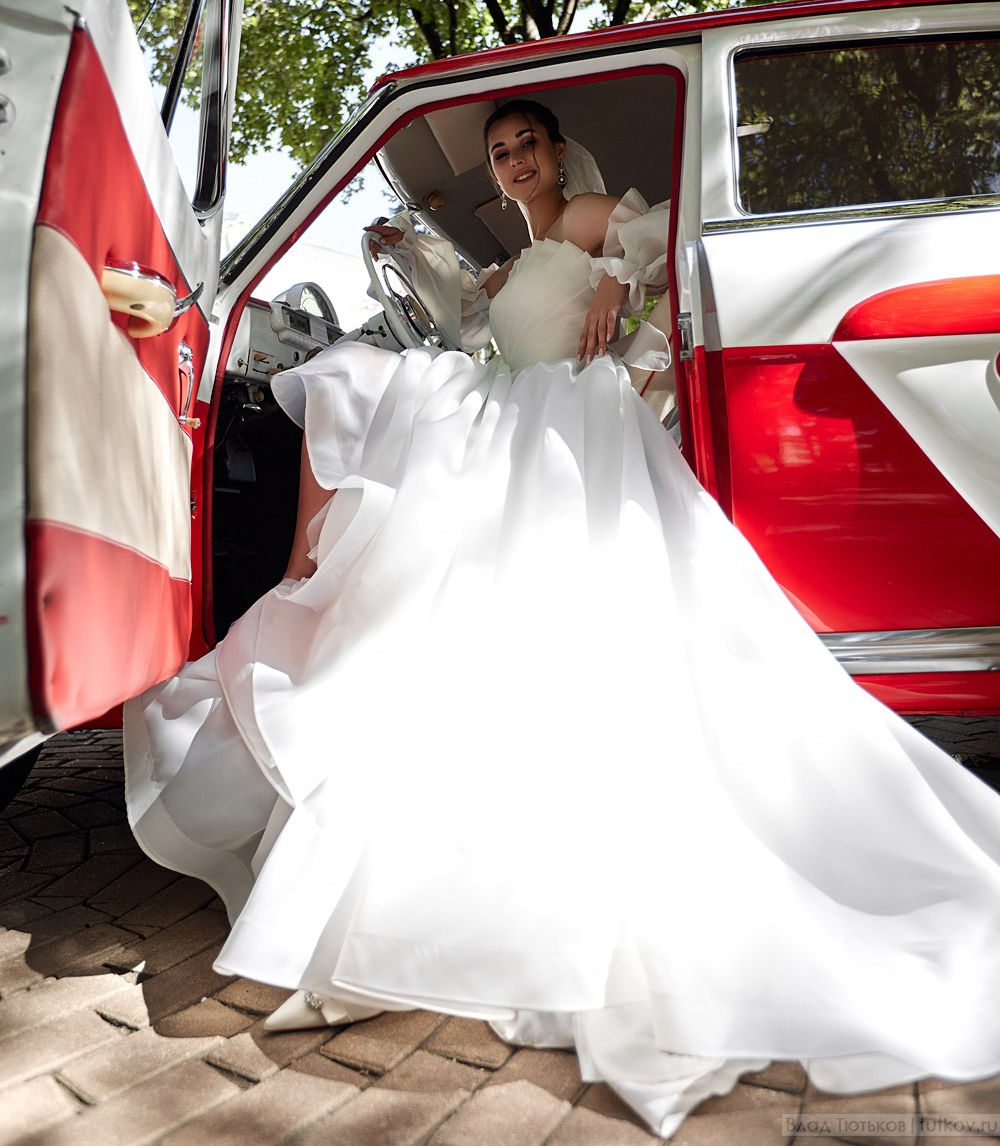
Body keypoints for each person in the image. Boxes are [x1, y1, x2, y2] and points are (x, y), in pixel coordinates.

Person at [125, 99, 1000, 1140]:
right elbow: (490, 327)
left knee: (355, 385)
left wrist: (620, 286)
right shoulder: (510, 260)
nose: (512, 162)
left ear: (554, 150)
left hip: (561, 414)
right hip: (516, 405)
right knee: (376, 415)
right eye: (499, 154)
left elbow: (662, 233)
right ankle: (314, 584)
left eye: (524, 145)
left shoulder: (584, 217)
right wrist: (442, 274)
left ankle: (302, 571)